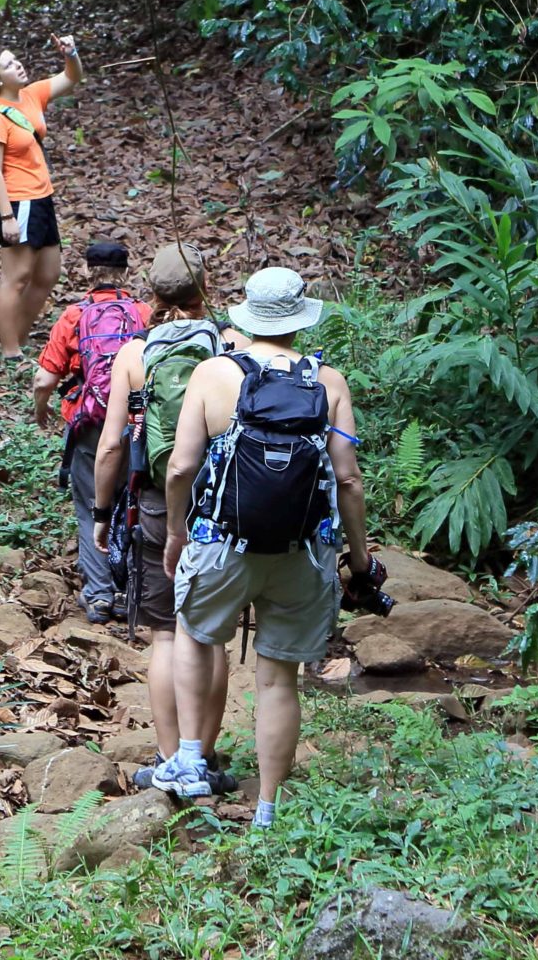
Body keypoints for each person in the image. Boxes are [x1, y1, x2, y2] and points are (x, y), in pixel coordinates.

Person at [156, 267, 375, 828]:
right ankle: (267, 810)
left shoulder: (212, 374)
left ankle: (186, 759)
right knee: (278, 679)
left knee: (196, 635)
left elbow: (181, 466)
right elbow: (347, 480)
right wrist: (359, 556)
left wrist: (177, 532)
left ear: (247, 316)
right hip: (301, 554)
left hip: (220, 543)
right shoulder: (330, 382)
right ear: (302, 317)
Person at [93, 244, 243, 791]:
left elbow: (111, 445)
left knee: (164, 636)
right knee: (210, 637)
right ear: (206, 286)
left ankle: (168, 758)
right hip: (221, 506)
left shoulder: (135, 355)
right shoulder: (230, 347)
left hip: (156, 505)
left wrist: (101, 513)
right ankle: (203, 756)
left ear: (150, 295)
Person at [33, 242, 151, 623]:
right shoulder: (145, 314)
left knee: (91, 508)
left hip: (91, 426)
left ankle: (100, 596)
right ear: (127, 273)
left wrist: (43, 410)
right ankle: (133, 592)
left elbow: (43, 379)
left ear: (87, 272)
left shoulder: (75, 315)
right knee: (133, 504)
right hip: (138, 424)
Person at [0, 35, 82, 356]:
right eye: (9, 64)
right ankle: (10, 351)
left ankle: (19, 336)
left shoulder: (31, 95)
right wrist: (6, 216)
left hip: (42, 198)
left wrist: (70, 54)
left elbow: (72, 77)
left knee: (48, 274)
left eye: (16, 59)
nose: (18, 65)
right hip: (17, 202)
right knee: (17, 276)